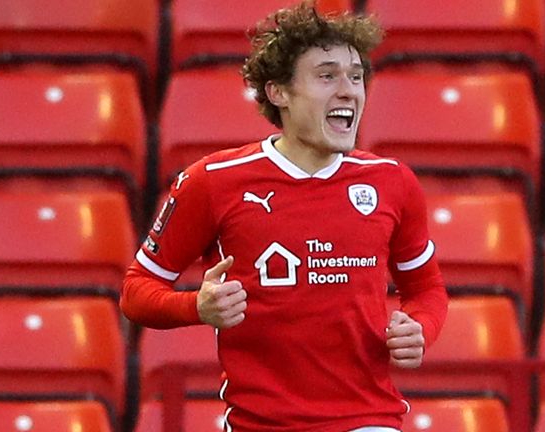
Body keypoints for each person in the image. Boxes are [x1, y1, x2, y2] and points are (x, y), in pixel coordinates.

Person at [121, 2, 448, 431]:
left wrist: (420, 328)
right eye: (327, 75)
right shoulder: (212, 182)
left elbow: (427, 288)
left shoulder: (392, 182)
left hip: (368, 420)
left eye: (355, 75)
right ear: (279, 93)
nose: (349, 90)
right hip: (258, 423)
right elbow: (136, 292)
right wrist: (196, 307)